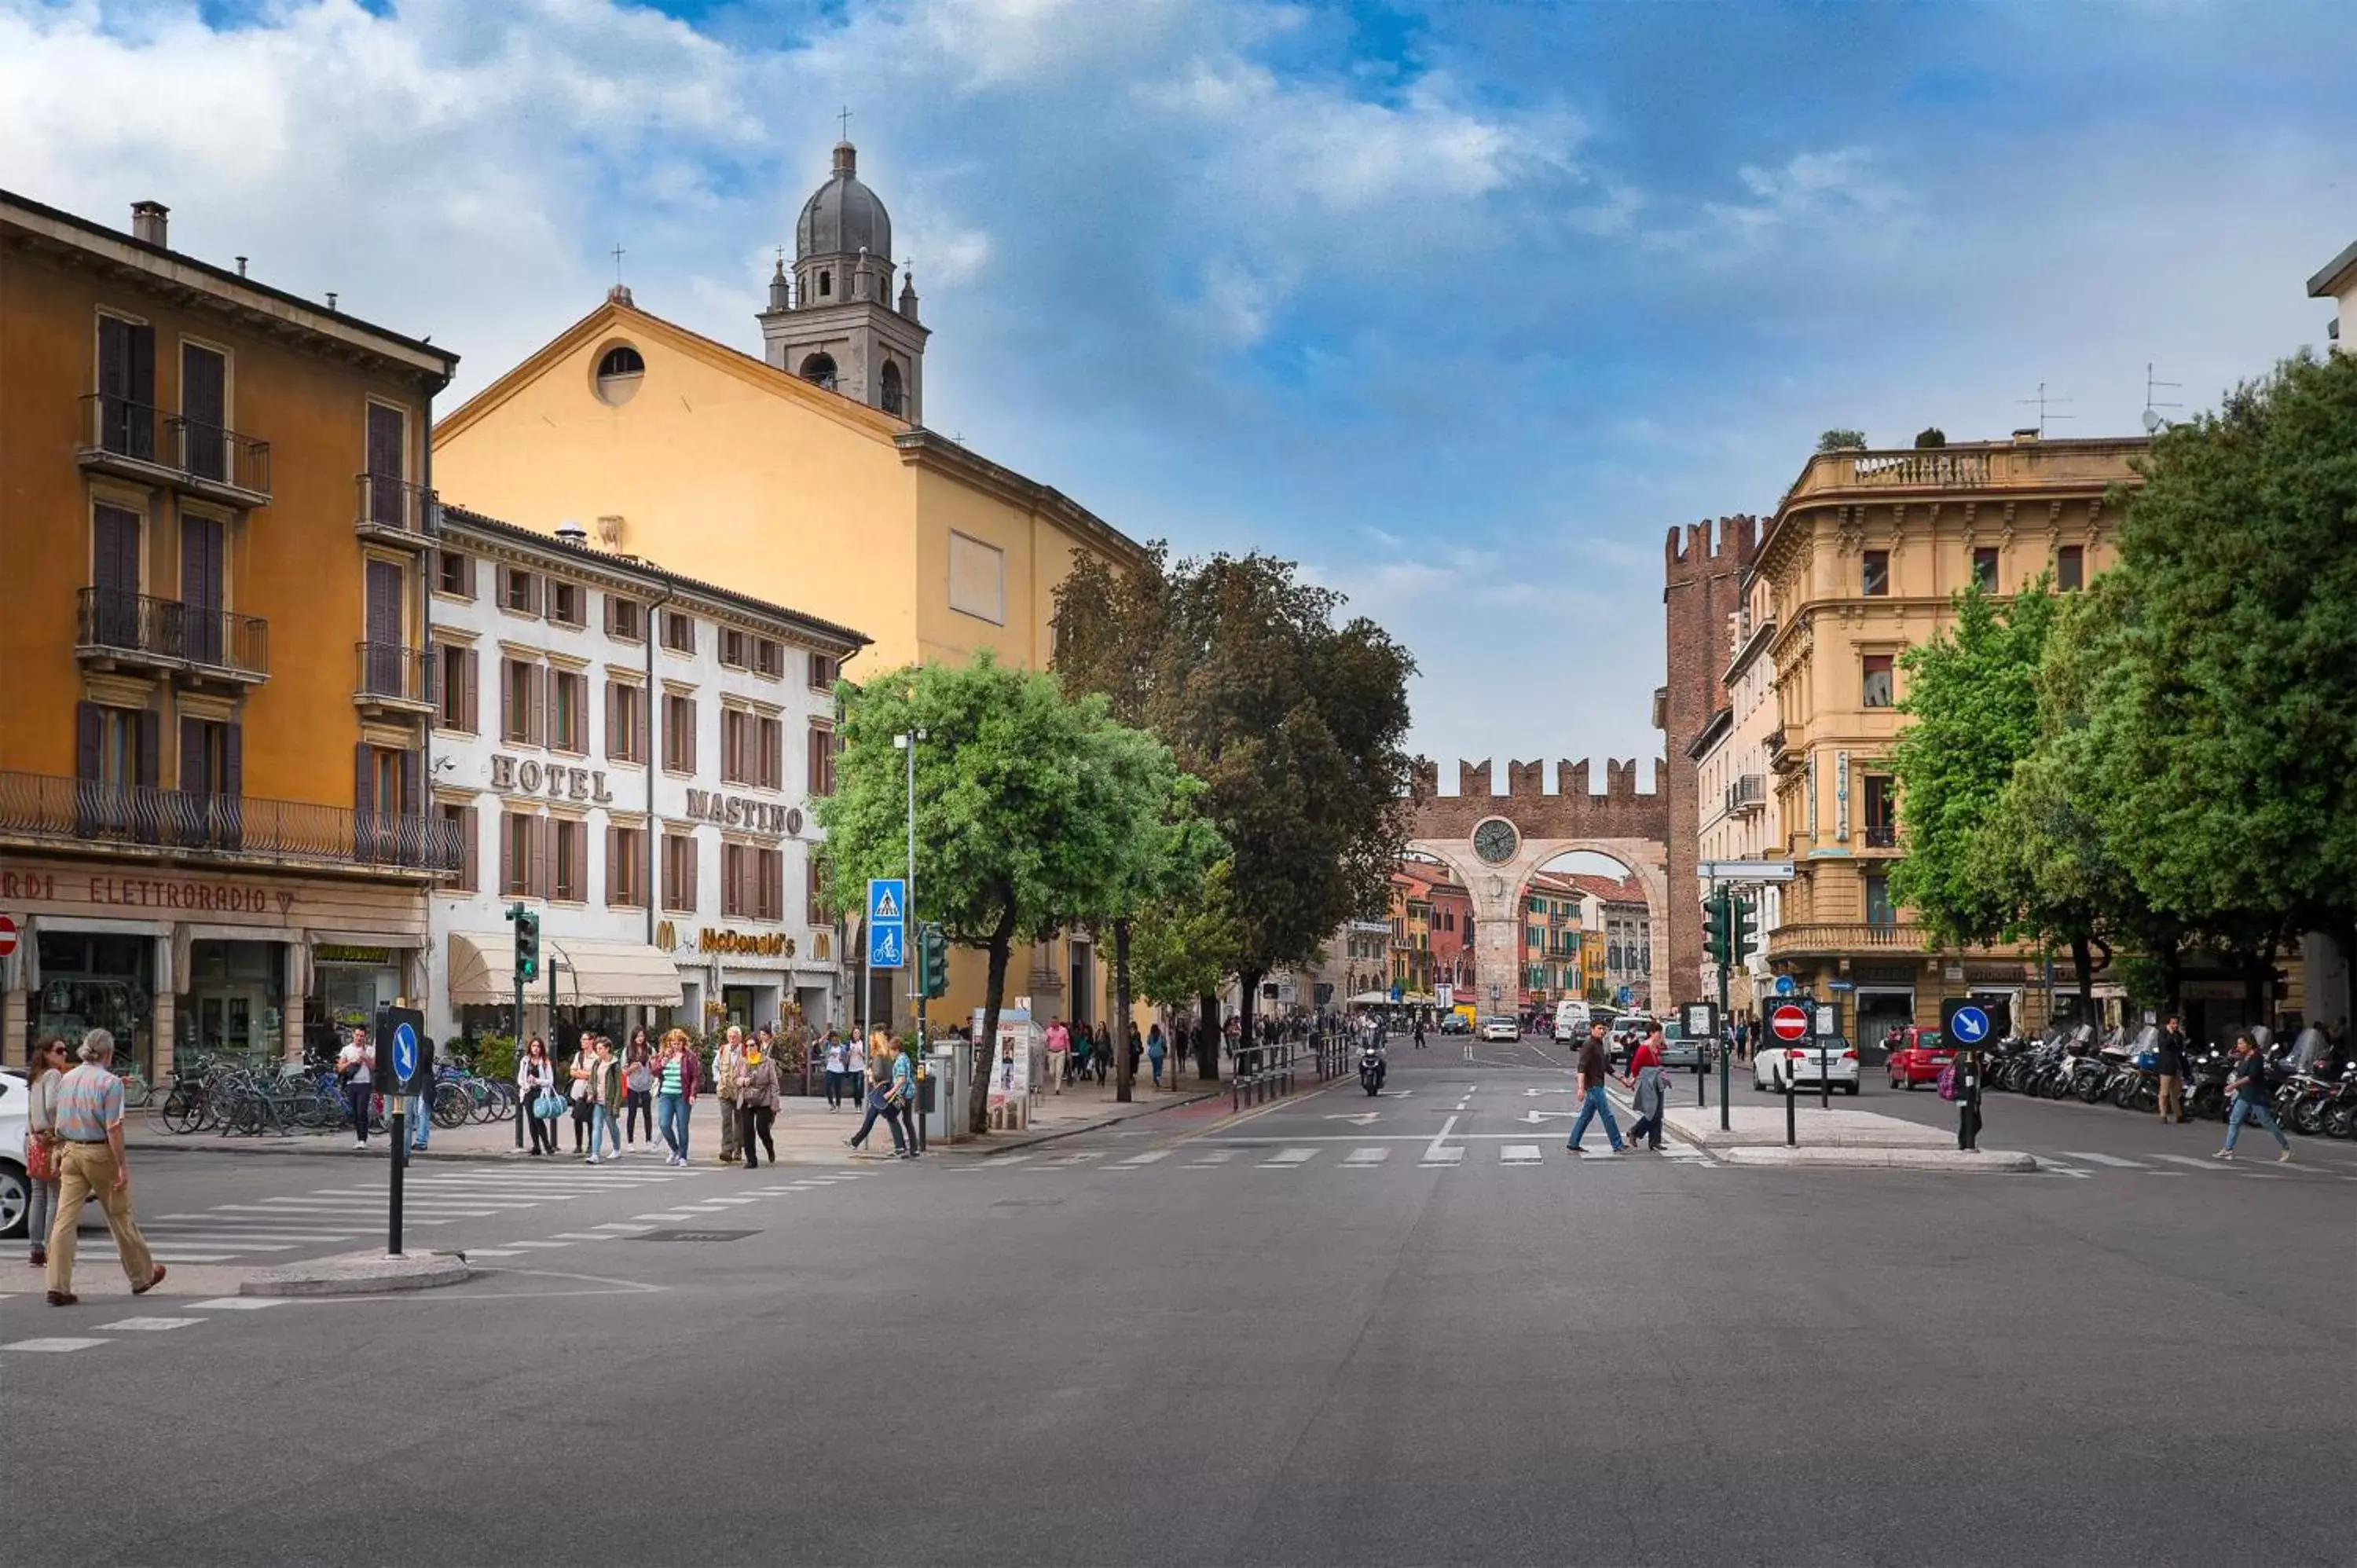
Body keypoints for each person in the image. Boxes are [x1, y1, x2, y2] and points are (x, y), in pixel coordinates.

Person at [43, 1028, 167, 1306]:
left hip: (71, 1150)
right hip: (99, 1152)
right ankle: (142, 1276)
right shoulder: (109, 1083)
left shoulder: (68, 1077)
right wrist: (122, 1166)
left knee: (64, 1220)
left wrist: (57, 1151)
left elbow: (60, 1117)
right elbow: (114, 1128)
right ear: (109, 1053)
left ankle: (57, 1285)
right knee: (120, 1216)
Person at [23, 1035, 68, 1269]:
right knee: (53, 1197)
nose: (64, 1054)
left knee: (37, 1196)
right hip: (50, 1139)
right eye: (60, 1050)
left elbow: (31, 1110)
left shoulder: (36, 1076)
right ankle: (52, 1248)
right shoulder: (53, 1075)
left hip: (34, 1139)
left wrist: (35, 1131)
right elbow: (52, 1104)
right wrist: (61, 1122)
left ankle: (35, 1250)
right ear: (47, 1053)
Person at [2216, 1033, 2292, 1162]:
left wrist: (2233, 1086)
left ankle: (2286, 1147)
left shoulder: (2257, 1057)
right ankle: (2228, 1149)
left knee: (2267, 1122)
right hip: (2245, 1094)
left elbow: (2250, 1077)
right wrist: (2232, 1056)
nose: (2238, 1046)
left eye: (2241, 1043)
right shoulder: (2245, 1056)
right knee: (2234, 1120)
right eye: (2238, 1044)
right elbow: (2239, 1067)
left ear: (2249, 1043)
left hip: (2256, 1095)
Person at [1565, 1020, 1626, 1156]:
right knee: (1607, 1115)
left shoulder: (1599, 1044)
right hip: (1593, 1086)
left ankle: (1573, 1142)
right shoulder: (1589, 1045)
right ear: (1592, 1029)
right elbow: (1581, 1068)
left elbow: (1607, 1068)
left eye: (1604, 1029)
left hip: (1597, 1084)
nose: (1602, 1031)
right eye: (1599, 1028)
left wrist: (1623, 1080)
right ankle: (1617, 1144)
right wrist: (1581, 1088)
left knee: (1586, 1116)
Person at [846, 1037, 907, 1157]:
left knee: (890, 1118)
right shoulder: (887, 1056)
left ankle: (900, 1146)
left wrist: (870, 1074)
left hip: (881, 1090)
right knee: (873, 1117)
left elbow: (879, 1073)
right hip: (884, 1090)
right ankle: (855, 1141)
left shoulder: (879, 1056)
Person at [654, 1029, 702, 1167]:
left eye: (678, 1043)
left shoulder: (689, 1056)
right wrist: (662, 1063)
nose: (676, 1046)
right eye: (673, 1043)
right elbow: (654, 1072)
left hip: (682, 1095)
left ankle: (683, 1156)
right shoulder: (664, 1055)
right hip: (666, 1094)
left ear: (683, 1043)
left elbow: (695, 1077)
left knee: (682, 1126)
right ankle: (675, 1149)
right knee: (664, 1124)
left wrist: (692, 1094)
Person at [736, 1037, 780, 1168]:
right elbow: (736, 1079)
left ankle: (769, 1146)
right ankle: (751, 1159)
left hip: (763, 1099)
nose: (750, 1048)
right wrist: (743, 1081)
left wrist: (775, 1103)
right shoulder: (742, 1062)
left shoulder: (767, 1062)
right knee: (747, 1130)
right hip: (747, 1099)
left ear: (758, 1046)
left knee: (762, 1128)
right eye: (748, 1046)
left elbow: (774, 1083)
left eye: (752, 1045)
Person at [1623, 1025, 1667, 1152]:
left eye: (1660, 1032)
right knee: (1652, 1111)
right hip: (1648, 1081)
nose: (1660, 1035)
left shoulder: (1656, 1046)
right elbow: (1636, 1065)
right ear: (1651, 1033)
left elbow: (1659, 1060)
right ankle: (1635, 1131)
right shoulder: (1644, 1048)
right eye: (1658, 1033)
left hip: (1657, 1080)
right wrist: (1632, 1080)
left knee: (1658, 1111)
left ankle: (1655, 1141)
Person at [585, 1035, 624, 1164]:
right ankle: (595, 1154)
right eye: (597, 1049)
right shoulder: (597, 1063)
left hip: (609, 1102)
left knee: (612, 1126)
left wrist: (616, 1106)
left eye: (601, 1048)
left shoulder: (614, 1065)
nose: (598, 1051)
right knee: (597, 1127)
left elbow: (619, 1087)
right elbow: (591, 1081)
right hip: (598, 1101)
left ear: (607, 1049)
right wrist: (591, 1093)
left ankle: (617, 1148)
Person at [518, 1037, 558, 1156]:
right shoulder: (525, 1061)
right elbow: (520, 1078)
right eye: (533, 1046)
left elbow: (550, 1081)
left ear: (541, 1049)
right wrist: (525, 1086)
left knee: (538, 1119)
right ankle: (536, 1146)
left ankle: (547, 1146)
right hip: (528, 1093)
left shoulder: (545, 1062)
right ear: (530, 1047)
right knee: (531, 1121)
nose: (536, 1048)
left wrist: (537, 1081)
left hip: (540, 1094)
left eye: (538, 1046)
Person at [336, 1024, 374, 1150]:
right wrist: (351, 1062)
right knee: (354, 1112)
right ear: (353, 1035)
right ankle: (359, 1137)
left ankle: (362, 1139)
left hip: (365, 1084)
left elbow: (374, 1067)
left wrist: (365, 1058)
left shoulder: (369, 1049)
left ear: (365, 1037)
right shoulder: (347, 1049)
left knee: (362, 1111)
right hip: (351, 1084)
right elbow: (340, 1067)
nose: (359, 1038)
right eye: (357, 1035)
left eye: (362, 1036)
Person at [714, 1027, 746, 1164]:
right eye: (730, 1036)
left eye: (734, 1037)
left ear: (739, 1038)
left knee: (739, 1121)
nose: (732, 1039)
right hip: (724, 1090)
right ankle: (727, 1150)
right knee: (726, 1119)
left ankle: (738, 1148)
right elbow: (715, 1066)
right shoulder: (722, 1050)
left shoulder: (745, 1050)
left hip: (739, 1092)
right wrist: (718, 1078)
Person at [889, 1036, 921, 1160]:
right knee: (907, 1120)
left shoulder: (900, 1060)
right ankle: (914, 1148)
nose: (890, 1053)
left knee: (891, 1117)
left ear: (896, 1049)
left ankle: (900, 1147)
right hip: (909, 1093)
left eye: (891, 1050)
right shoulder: (906, 1058)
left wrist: (891, 1092)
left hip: (902, 1095)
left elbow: (902, 1079)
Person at [623, 1028, 655, 1147]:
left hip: (646, 1086)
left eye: (642, 1036)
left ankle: (648, 1141)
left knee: (647, 1114)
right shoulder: (628, 1050)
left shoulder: (650, 1049)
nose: (640, 1039)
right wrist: (632, 1068)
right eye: (637, 1036)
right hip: (633, 1086)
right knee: (632, 1113)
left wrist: (652, 1070)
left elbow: (655, 1067)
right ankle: (630, 1142)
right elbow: (624, 1072)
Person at [2155, 1014, 2188, 1125]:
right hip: (2166, 1066)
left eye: (2176, 1023)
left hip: (2176, 1066)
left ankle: (2178, 1115)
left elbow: (2180, 1051)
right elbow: (2163, 1046)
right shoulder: (2163, 1033)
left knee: (2176, 1092)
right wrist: (2170, 1035)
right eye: (2173, 1023)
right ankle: (2163, 1115)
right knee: (2164, 1092)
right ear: (2168, 1024)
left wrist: (2183, 1068)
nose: (2175, 1025)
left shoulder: (2178, 1035)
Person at [567, 1036, 598, 1155]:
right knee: (577, 1117)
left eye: (585, 1040)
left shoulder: (596, 1057)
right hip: (577, 1090)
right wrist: (584, 1074)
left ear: (591, 1041)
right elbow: (572, 1071)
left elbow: (595, 1074)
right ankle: (578, 1144)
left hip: (590, 1090)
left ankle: (591, 1144)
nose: (582, 1042)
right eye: (581, 1040)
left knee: (590, 1118)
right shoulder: (579, 1055)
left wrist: (582, 1073)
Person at [823, 1030, 850, 1110]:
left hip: (839, 1070)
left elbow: (846, 1060)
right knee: (828, 1085)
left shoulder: (843, 1047)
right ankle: (831, 1103)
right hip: (830, 1069)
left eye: (835, 1040)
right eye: (832, 1040)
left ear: (838, 1039)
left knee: (837, 1088)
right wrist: (829, 1054)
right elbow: (821, 1047)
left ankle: (838, 1104)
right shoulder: (828, 1046)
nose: (834, 1042)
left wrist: (843, 1059)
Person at [1045, 1017, 1070, 1092]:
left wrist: (1068, 1052)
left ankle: (1057, 1088)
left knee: (1059, 1071)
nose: (1053, 1024)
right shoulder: (1048, 1031)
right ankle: (1055, 1079)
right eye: (1052, 1022)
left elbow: (1067, 1042)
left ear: (1058, 1022)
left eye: (1055, 1022)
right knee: (1052, 1072)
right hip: (1051, 1052)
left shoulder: (1063, 1030)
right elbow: (1046, 1042)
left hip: (1061, 1052)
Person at [1146, 1021, 1168, 1088]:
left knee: (1155, 1067)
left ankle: (1155, 1079)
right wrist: (1165, 1051)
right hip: (1159, 1053)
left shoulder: (1150, 1035)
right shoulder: (1161, 1035)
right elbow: (1164, 1044)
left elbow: (1148, 1043)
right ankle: (1157, 1078)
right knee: (1159, 1067)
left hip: (1152, 1053)